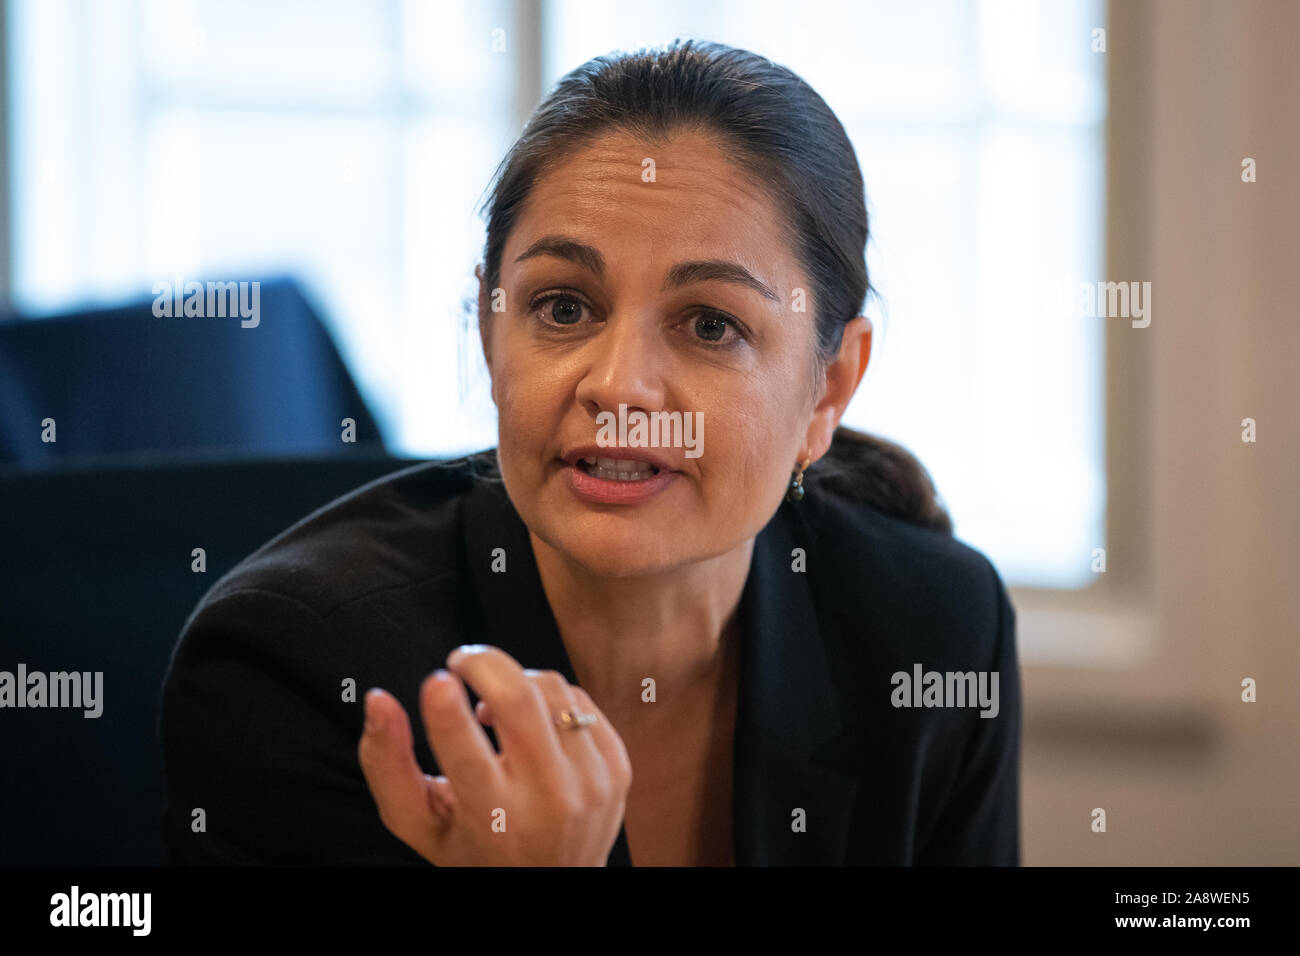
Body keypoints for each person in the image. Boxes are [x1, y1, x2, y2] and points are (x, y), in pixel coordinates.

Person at [159, 38, 1020, 866]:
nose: (619, 387)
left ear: (826, 390)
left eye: (710, 324)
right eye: (564, 307)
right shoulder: (291, 674)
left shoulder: (935, 633)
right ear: (493, 336)